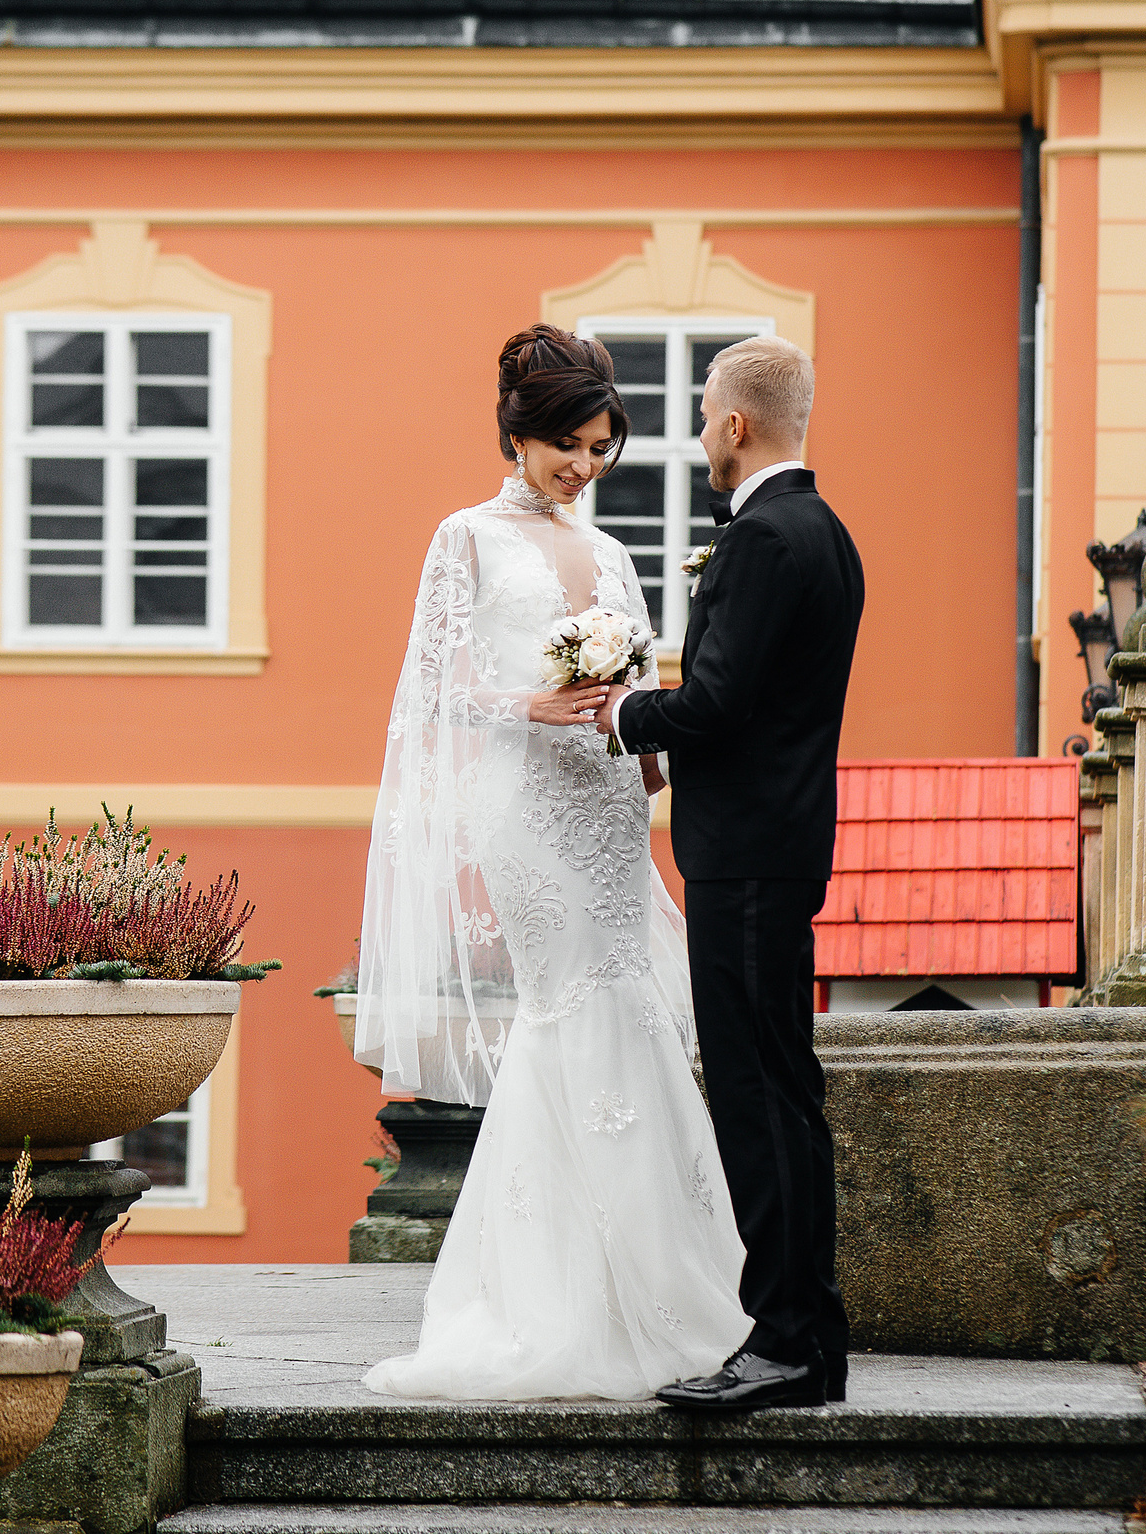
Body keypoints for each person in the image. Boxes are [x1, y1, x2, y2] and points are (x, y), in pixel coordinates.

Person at [357, 322, 752, 1401]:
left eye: (600, 447)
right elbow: (427, 692)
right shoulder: (465, 538)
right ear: (519, 435)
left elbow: (637, 690)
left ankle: (657, 1283)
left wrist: (660, 763)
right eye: (566, 446)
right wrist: (524, 702)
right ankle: (557, 1301)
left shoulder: (615, 553)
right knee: (571, 1008)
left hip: (613, 807)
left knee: (627, 1006)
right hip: (528, 806)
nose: (583, 465)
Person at [602, 335, 865, 1412]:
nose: (699, 431)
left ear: (733, 424)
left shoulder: (762, 537)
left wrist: (618, 712)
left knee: (759, 1098)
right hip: (775, 842)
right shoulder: (827, 532)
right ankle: (806, 1332)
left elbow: (714, 704)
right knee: (782, 1090)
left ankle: (789, 1337)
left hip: (745, 856)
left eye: (704, 412)